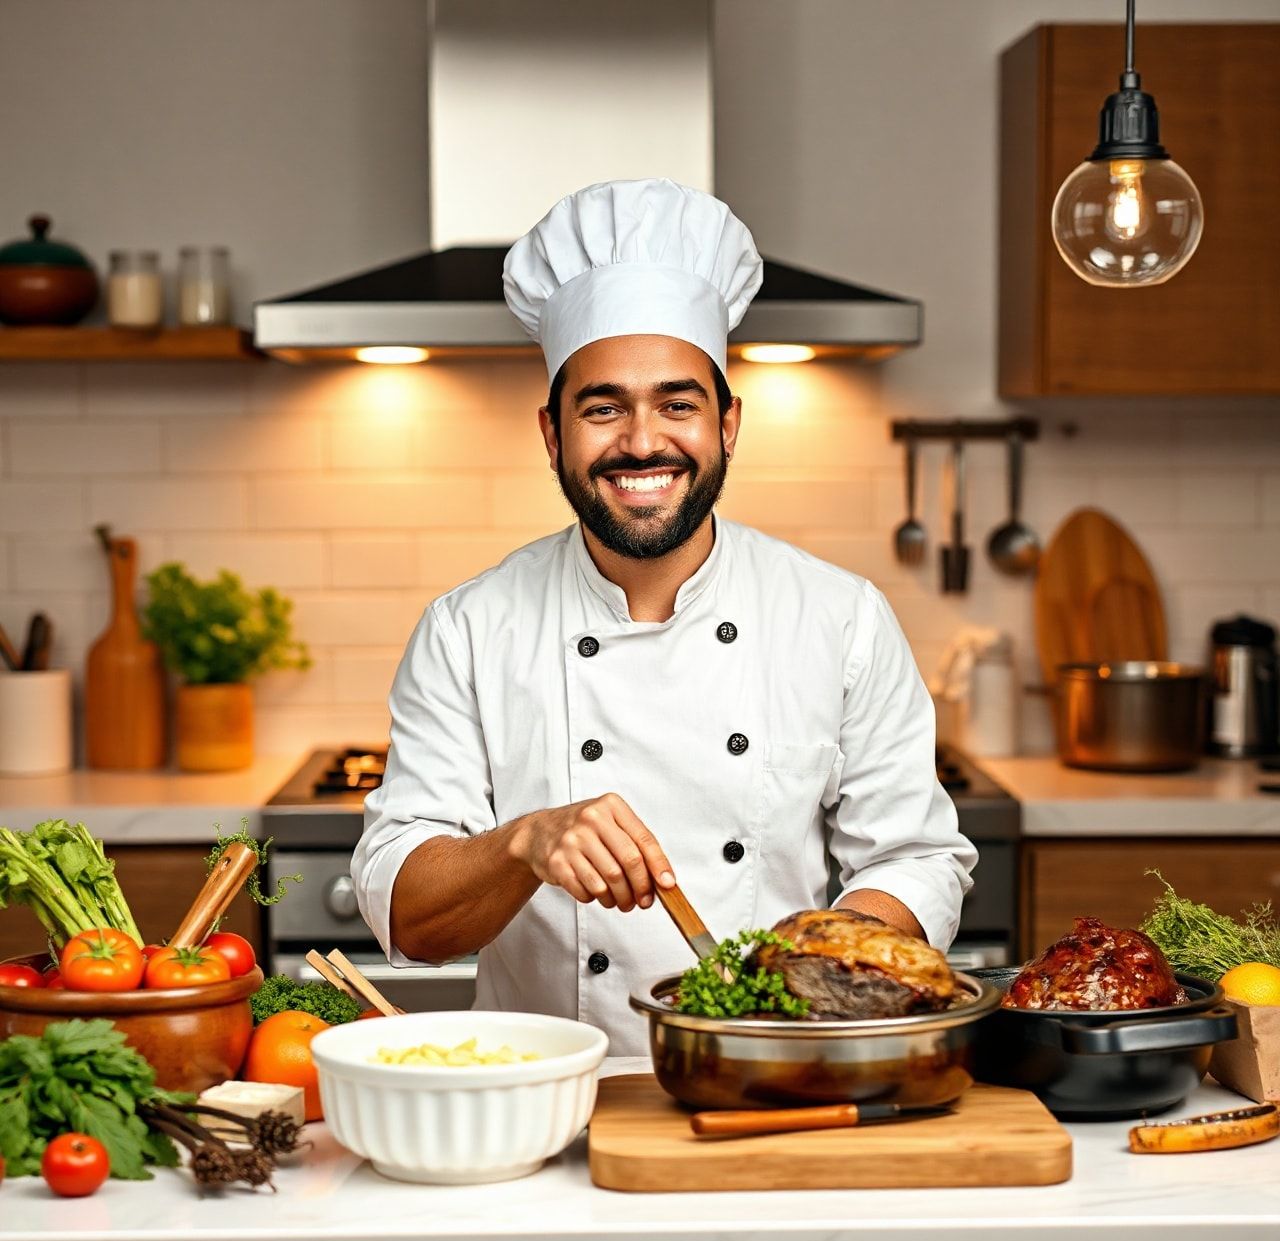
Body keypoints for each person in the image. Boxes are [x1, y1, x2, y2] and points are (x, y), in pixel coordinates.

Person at [352, 178, 976, 1055]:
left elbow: (915, 858)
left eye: (677, 404)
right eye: (602, 407)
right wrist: (524, 843)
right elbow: (410, 918)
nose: (642, 441)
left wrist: (811, 968)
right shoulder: (469, 629)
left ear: (728, 425)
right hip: (546, 1106)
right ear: (550, 433)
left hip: (774, 1081)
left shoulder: (840, 619)